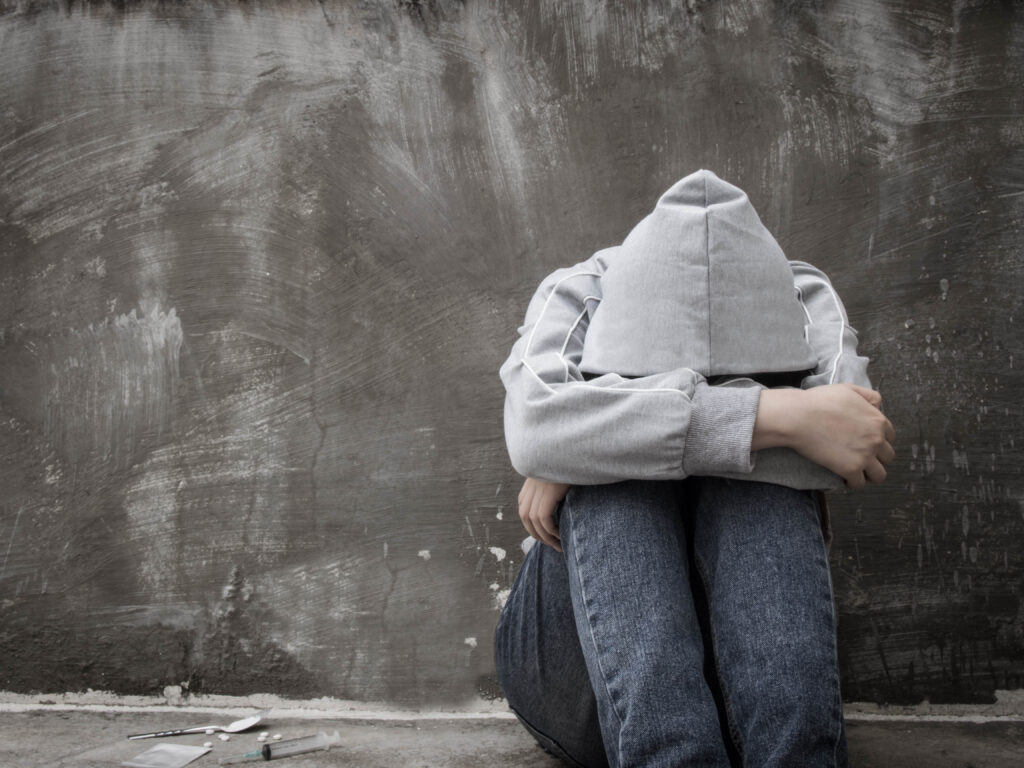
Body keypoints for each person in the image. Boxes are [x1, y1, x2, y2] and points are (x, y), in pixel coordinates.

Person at [493, 170, 895, 768]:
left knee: (746, 485)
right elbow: (533, 426)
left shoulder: (802, 291)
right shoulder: (580, 288)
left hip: (745, 705)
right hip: (577, 689)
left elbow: (856, 445)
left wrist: (596, 431)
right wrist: (783, 410)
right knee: (620, 490)